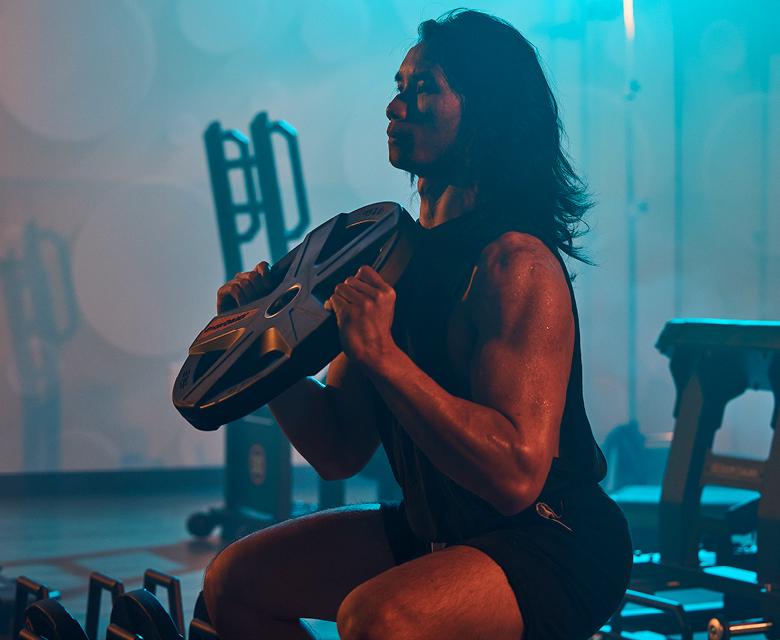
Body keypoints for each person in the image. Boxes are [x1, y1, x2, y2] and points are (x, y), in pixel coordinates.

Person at [204, 9, 632, 640]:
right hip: (438, 528)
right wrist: (264, 353)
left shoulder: (515, 263)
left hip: (551, 537)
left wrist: (384, 358)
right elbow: (337, 449)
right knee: (234, 582)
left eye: (422, 87)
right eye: (398, 87)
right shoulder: (390, 262)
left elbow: (515, 476)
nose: (395, 106)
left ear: (485, 108)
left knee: (379, 618)